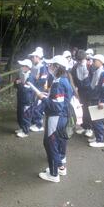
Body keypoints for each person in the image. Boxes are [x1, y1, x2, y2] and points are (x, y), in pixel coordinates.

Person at [33, 55, 73, 183]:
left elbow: (56, 106)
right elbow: (59, 100)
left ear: (57, 67)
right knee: (55, 144)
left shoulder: (59, 83)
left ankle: (54, 174)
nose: (48, 67)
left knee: (50, 144)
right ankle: (60, 167)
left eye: (51, 65)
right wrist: (48, 96)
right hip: (62, 117)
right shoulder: (63, 80)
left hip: (56, 118)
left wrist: (42, 97)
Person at [87, 54, 104, 148]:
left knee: (98, 121)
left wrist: (103, 101)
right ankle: (97, 137)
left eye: (95, 61)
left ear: (100, 62)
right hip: (94, 99)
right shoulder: (97, 71)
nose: (93, 62)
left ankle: (100, 140)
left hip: (99, 100)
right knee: (95, 120)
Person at [71, 49, 93, 137]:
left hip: (90, 92)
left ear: (85, 58)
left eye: (81, 60)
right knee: (82, 109)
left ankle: (90, 128)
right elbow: (73, 78)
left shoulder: (90, 66)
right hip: (80, 91)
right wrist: (75, 90)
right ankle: (84, 126)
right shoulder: (75, 66)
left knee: (89, 110)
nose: (80, 62)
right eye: (78, 60)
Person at [28, 49, 48, 132]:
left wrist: (35, 80)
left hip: (39, 90)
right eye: (32, 57)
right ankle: (34, 122)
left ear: (38, 57)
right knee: (33, 105)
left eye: (33, 57)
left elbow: (43, 80)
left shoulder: (42, 67)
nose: (32, 58)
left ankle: (39, 125)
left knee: (38, 107)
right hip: (33, 89)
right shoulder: (33, 66)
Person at [14, 59, 35, 138]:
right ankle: (22, 128)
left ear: (27, 67)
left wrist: (20, 83)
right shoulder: (21, 74)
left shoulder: (31, 77)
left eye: (23, 66)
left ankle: (25, 131)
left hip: (27, 99)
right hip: (21, 98)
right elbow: (16, 84)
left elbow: (26, 89)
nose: (21, 67)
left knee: (26, 115)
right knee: (20, 114)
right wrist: (17, 82)